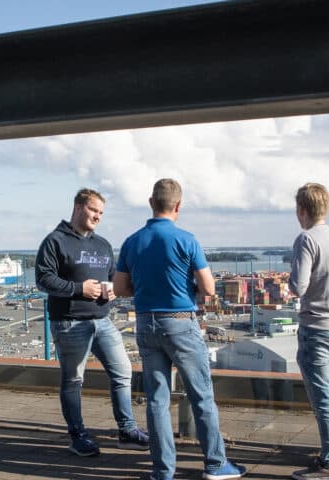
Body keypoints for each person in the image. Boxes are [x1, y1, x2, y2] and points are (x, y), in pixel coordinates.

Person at [114, 179, 246, 480]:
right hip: (180, 323)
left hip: (146, 322)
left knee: (157, 400)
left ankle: (162, 472)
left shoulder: (132, 241)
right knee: (201, 394)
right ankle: (215, 464)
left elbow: (120, 288)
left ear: (151, 203)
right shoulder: (187, 240)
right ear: (178, 206)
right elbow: (209, 288)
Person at [35, 188, 149, 457]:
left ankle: (127, 431)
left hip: (103, 320)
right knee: (74, 381)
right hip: (70, 323)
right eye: (93, 210)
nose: (97, 216)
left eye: (101, 212)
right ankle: (78, 436)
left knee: (123, 373)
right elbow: (43, 279)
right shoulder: (55, 241)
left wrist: (112, 288)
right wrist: (79, 289)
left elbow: (114, 278)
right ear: (77, 207)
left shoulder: (103, 245)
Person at [289, 183, 329, 480]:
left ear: (302, 210)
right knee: (327, 393)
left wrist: (293, 282)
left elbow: (298, 286)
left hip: (316, 328)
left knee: (323, 398)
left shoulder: (306, 239)